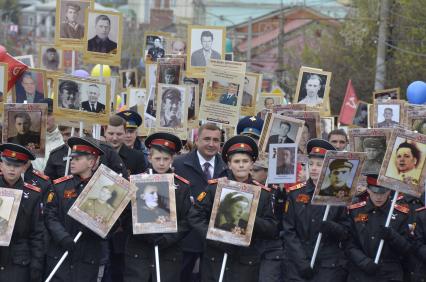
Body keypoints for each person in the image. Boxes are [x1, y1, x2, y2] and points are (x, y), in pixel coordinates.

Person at [188, 135, 278, 282]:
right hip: (215, 257)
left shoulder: (263, 194)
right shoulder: (215, 188)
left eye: (245, 161)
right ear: (229, 164)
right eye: (236, 161)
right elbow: (195, 216)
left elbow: (272, 228)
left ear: (252, 164)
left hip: (245, 262)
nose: (241, 165)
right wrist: (214, 237)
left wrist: (250, 218)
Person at [123, 132, 191, 282]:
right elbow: (125, 217)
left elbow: (187, 220)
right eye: (157, 158)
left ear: (172, 159)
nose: (161, 163)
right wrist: (144, 233)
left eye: (166, 159)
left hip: (168, 254)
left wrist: (169, 237)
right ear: (149, 157)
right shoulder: (135, 182)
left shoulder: (182, 187)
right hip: (139, 253)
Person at [283, 139, 349, 281]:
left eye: (319, 165)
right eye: (311, 163)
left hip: (328, 265)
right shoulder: (295, 193)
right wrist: (301, 261)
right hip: (298, 263)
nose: (313, 168)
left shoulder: (340, 194)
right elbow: (288, 231)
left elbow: (346, 231)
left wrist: (332, 227)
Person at [45, 137, 110, 281]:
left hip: (87, 257)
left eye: (77, 158)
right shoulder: (60, 186)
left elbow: (112, 219)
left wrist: (98, 227)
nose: (72, 161)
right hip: (61, 252)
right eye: (71, 158)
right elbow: (50, 216)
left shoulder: (103, 188)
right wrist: (63, 237)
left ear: (91, 162)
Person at [173, 123, 227, 282]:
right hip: (186, 238)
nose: (211, 144)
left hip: (214, 239)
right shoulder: (179, 164)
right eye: (207, 139)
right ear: (196, 140)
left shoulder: (227, 166)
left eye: (216, 140)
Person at [345, 174, 411, 282]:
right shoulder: (356, 211)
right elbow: (348, 242)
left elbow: (408, 249)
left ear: (390, 191)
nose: (378, 197)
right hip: (360, 272)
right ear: (368, 190)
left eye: (382, 193)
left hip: (389, 274)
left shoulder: (401, 214)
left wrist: (393, 236)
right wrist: (363, 262)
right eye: (375, 192)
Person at [0, 143, 44, 282]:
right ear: (1, 165)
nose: (12, 169)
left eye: (17, 165)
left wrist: (36, 265)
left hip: (18, 261)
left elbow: (37, 233)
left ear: (24, 167)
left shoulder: (32, 195)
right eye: (8, 164)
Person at [32, 98, 64, 172]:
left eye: (48, 114)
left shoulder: (64, 138)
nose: (44, 118)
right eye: (41, 114)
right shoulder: (30, 138)